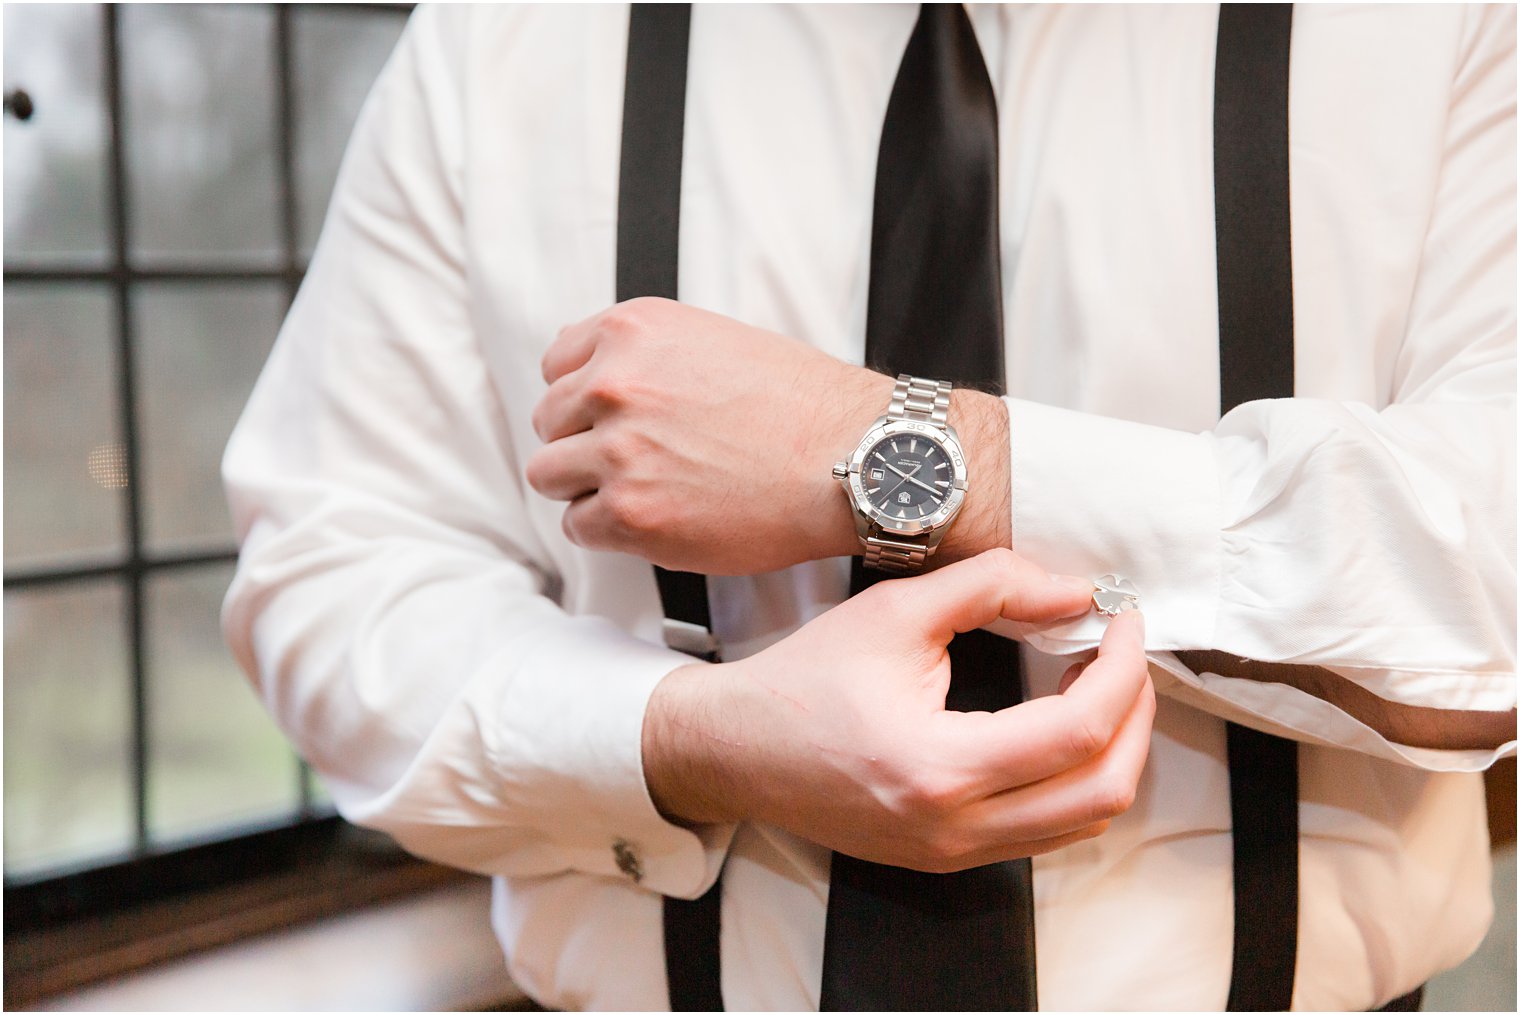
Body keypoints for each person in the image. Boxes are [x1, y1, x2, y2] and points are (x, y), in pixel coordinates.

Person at [222, 5, 1516, 1011]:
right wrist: (684, 738)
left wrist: (887, 449)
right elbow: (331, 582)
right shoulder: (506, 35)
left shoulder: (1452, 26)